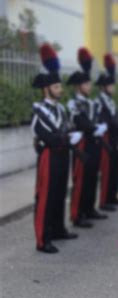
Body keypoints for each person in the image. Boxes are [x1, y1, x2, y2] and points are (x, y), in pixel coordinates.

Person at [31, 43, 80, 253]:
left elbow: (67, 129)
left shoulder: (60, 108)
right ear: (46, 89)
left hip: (62, 155)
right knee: (46, 196)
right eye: (57, 86)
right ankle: (43, 238)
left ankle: (58, 228)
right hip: (49, 156)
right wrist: (66, 138)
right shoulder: (39, 110)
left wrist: (69, 137)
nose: (60, 89)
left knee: (60, 192)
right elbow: (48, 137)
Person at [67, 48, 108, 228]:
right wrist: (94, 127)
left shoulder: (91, 102)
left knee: (92, 177)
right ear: (78, 86)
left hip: (94, 143)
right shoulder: (73, 103)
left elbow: (97, 118)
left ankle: (89, 208)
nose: (89, 86)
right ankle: (77, 214)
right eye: (86, 84)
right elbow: (81, 121)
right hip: (82, 143)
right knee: (81, 179)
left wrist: (98, 126)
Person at [95, 53, 118, 211]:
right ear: (104, 87)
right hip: (105, 138)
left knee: (113, 170)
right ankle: (104, 201)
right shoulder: (100, 101)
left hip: (114, 137)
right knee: (106, 170)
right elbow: (103, 120)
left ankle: (111, 196)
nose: (113, 88)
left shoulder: (110, 100)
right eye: (110, 85)